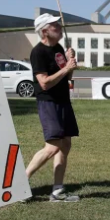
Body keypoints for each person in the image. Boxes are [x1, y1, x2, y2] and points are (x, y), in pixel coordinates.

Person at [24, 13, 80, 202]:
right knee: (53, 146)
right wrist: (66, 68)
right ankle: (20, 184)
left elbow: (67, 78)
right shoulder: (38, 52)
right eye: (54, 25)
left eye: (58, 23)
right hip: (49, 102)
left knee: (65, 145)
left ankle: (57, 191)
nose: (59, 27)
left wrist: (70, 63)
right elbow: (44, 83)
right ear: (44, 31)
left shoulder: (58, 49)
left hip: (63, 101)